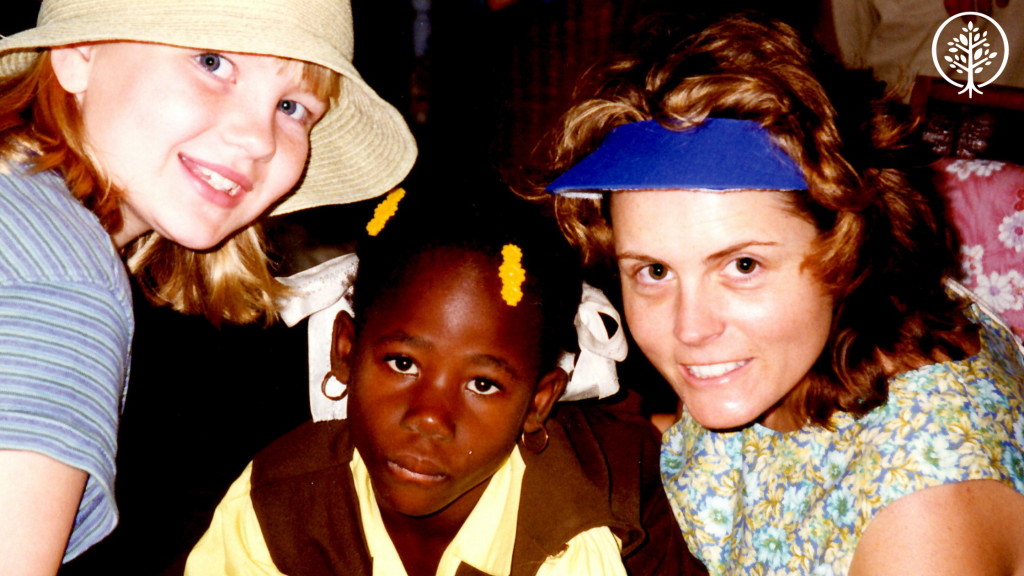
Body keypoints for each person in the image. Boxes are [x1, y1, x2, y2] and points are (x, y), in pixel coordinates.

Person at [528, 14, 1024, 576]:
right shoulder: (816, 339)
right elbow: (731, 457)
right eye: (654, 272)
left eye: (742, 265)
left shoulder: (926, 515)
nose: (690, 329)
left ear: (846, 239)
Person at [0, 0, 417, 572]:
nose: (257, 140)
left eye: (292, 107)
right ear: (78, 54)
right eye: (212, 62)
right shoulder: (65, 284)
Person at [184, 189, 705, 576]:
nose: (429, 417)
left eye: (482, 385)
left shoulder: (574, 532)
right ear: (344, 351)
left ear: (538, 401)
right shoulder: (279, 503)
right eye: (402, 364)